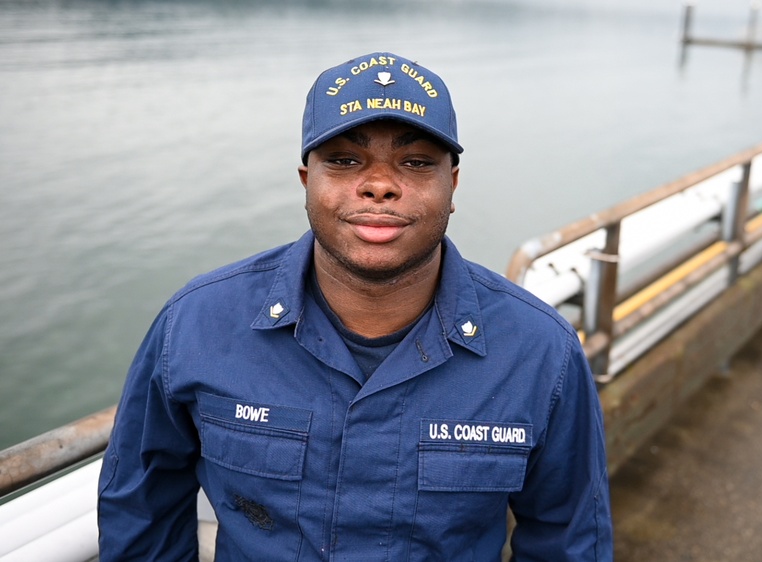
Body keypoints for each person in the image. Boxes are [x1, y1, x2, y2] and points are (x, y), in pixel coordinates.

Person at [97, 52, 613, 561]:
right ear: (307, 181)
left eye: (415, 163)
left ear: (452, 185)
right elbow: (142, 511)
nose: (380, 185)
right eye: (344, 161)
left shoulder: (541, 351)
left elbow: (569, 542)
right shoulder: (195, 325)